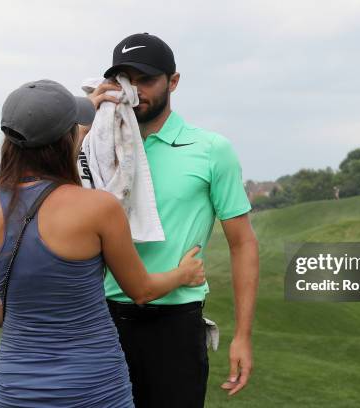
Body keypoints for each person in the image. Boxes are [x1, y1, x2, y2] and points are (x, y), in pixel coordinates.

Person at [0, 79, 205, 408]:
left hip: (16, 392)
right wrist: (183, 274)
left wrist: (34, 313)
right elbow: (141, 290)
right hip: (95, 388)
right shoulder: (98, 208)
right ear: (65, 140)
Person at [92, 32, 260, 407]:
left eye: (146, 80)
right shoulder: (96, 145)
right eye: (125, 80)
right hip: (104, 320)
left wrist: (242, 336)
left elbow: (243, 242)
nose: (134, 91)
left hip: (174, 325)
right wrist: (88, 127)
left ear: (173, 81)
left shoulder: (211, 150)